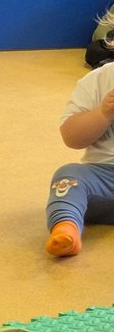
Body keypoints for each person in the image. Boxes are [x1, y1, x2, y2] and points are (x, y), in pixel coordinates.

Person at [44, 59, 114, 258]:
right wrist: (103, 114)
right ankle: (66, 228)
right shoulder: (99, 80)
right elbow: (72, 137)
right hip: (104, 179)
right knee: (68, 176)